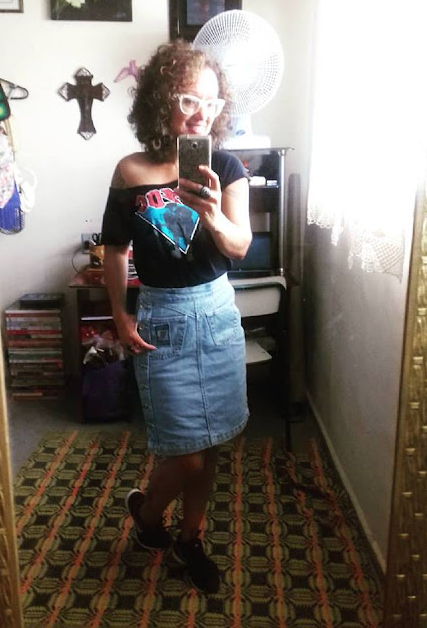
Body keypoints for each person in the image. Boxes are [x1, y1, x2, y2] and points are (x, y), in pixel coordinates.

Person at [100, 39, 252, 594]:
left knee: (208, 449)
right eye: (189, 99)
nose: (200, 113)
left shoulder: (227, 167)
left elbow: (238, 247)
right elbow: (115, 250)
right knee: (184, 456)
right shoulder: (130, 171)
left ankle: (189, 537)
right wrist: (120, 317)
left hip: (216, 317)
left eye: (211, 103)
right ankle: (146, 516)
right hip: (161, 320)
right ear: (161, 100)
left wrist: (211, 214)